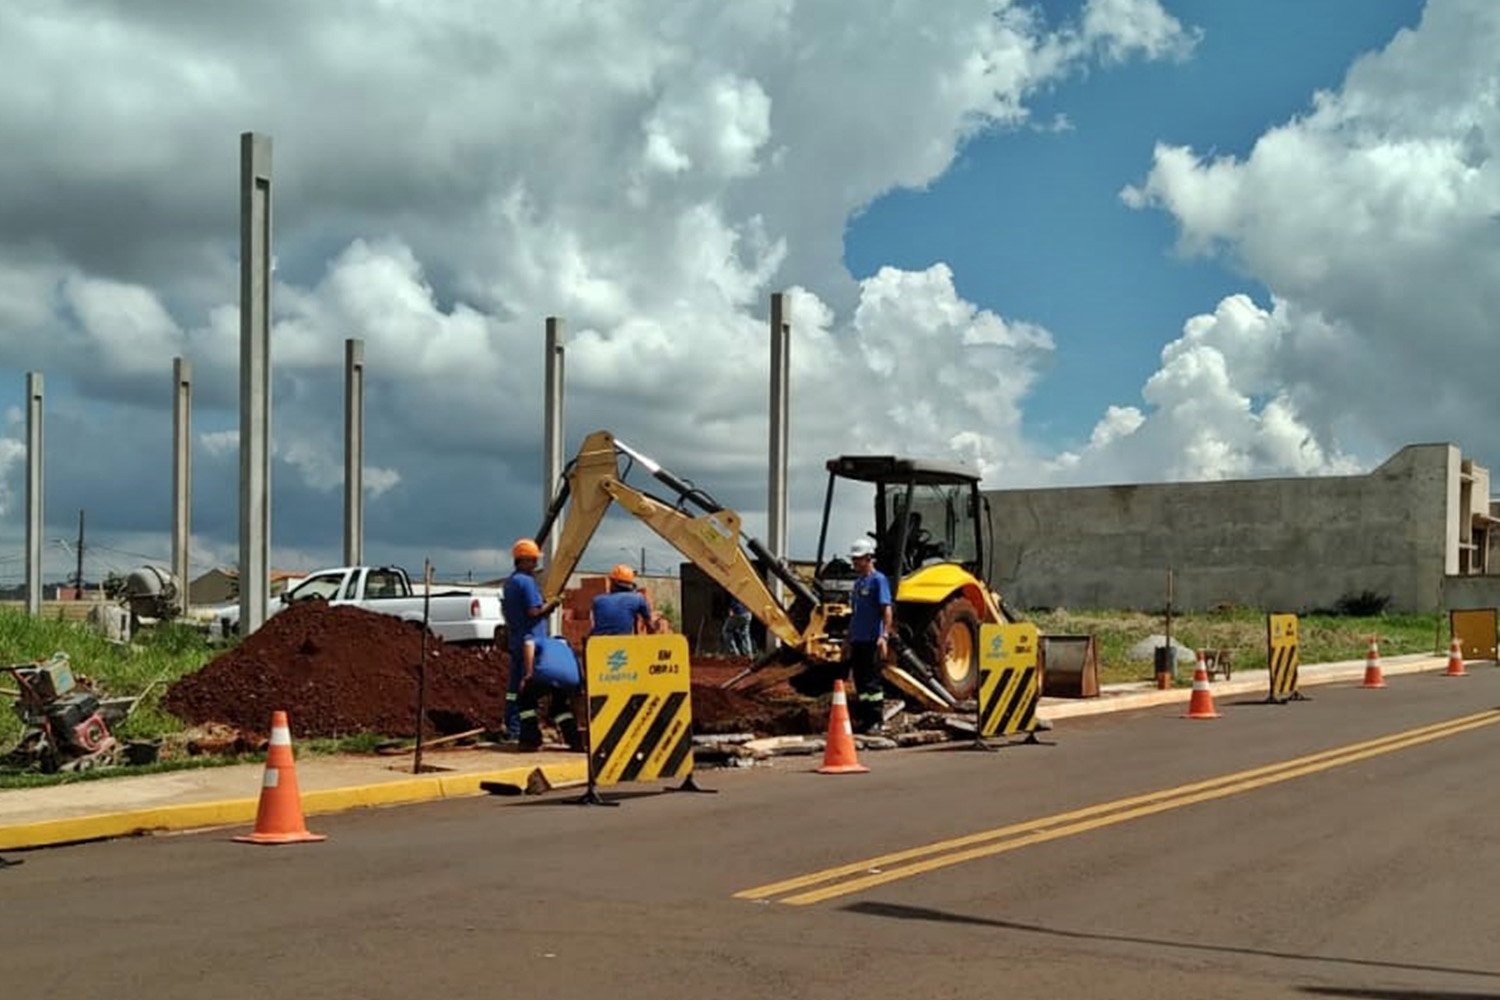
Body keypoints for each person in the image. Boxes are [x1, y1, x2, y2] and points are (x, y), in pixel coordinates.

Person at [502, 539, 557, 741]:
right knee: (529, 685)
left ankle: (513, 726)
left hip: (517, 639)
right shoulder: (526, 582)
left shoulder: (511, 582)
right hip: (530, 642)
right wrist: (550, 606)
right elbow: (534, 611)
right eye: (533, 560)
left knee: (515, 687)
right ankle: (523, 729)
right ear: (524, 560)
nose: (535, 564)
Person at [846, 536, 893, 735]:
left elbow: (886, 610)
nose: (855, 563)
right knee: (861, 682)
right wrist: (848, 639)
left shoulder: (878, 580)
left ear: (868, 558)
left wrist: (884, 635)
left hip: (871, 639)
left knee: (872, 682)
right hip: (858, 639)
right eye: (854, 559)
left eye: (858, 559)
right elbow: (855, 614)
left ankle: (876, 720)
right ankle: (866, 719)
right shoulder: (858, 584)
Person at [517, 635, 584, 752]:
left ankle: (530, 740)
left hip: (546, 674)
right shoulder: (570, 650)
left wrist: (528, 674)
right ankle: (575, 741)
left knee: (525, 701)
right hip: (571, 680)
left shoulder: (544, 640)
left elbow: (528, 643)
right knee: (561, 708)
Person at [590, 564, 653, 637]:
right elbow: (650, 626)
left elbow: (596, 624)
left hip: (597, 644)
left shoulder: (598, 600)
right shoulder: (638, 598)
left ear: (613, 582)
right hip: (622, 643)